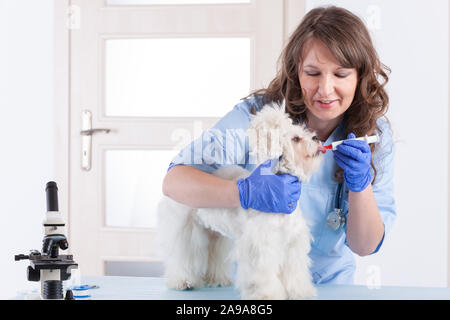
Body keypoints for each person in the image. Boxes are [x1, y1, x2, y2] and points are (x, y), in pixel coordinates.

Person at [162, 5, 395, 285]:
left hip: (332, 287)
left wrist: (360, 186)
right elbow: (174, 183)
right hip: (255, 286)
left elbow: (365, 246)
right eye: (312, 72)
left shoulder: (373, 135)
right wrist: (243, 192)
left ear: (360, 76)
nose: (325, 89)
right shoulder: (258, 119)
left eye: (341, 74)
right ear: (296, 70)